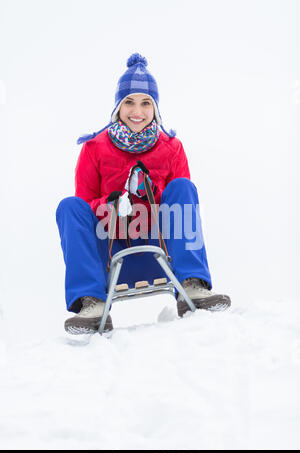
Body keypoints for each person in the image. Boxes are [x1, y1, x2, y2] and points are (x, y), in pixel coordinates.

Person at [56, 53, 231, 335]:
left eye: (145, 103)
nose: (137, 111)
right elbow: (84, 208)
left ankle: (192, 284)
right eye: (129, 102)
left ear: (155, 107)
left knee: (183, 187)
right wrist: (110, 204)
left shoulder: (171, 147)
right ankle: (91, 300)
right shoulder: (94, 148)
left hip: (162, 249)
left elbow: (180, 204)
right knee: (69, 206)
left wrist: (150, 194)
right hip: (112, 249)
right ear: (118, 105)